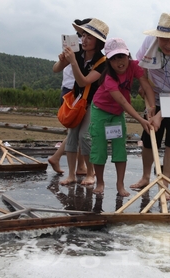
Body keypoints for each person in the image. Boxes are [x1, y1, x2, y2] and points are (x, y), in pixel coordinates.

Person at [130, 13, 170, 197]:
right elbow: (140, 70)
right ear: (157, 36)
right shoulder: (148, 44)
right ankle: (145, 177)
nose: (168, 45)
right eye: (164, 39)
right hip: (155, 94)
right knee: (150, 136)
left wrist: (160, 115)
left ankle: (165, 181)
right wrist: (151, 104)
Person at [89, 38, 154, 197]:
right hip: (100, 111)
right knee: (99, 149)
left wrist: (152, 107)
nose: (119, 62)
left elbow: (146, 85)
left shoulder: (134, 66)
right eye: (114, 58)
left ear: (128, 55)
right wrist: (141, 119)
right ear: (109, 61)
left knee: (119, 148)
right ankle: (100, 182)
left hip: (116, 114)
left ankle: (120, 185)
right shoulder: (109, 79)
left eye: (122, 56)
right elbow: (124, 102)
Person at [52, 18, 109, 186]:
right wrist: (62, 60)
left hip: (93, 102)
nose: (83, 40)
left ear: (98, 42)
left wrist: (73, 62)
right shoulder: (77, 52)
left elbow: (84, 81)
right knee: (71, 136)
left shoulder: (103, 62)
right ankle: (71, 174)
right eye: (83, 36)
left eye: (89, 37)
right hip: (77, 100)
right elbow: (55, 69)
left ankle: (90, 173)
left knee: (85, 136)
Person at [48, 18, 91, 175]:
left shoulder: (78, 45)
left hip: (72, 89)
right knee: (77, 131)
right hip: (73, 91)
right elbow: (58, 67)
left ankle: (78, 166)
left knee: (79, 131)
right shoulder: (78, 47)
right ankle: (58, 157)